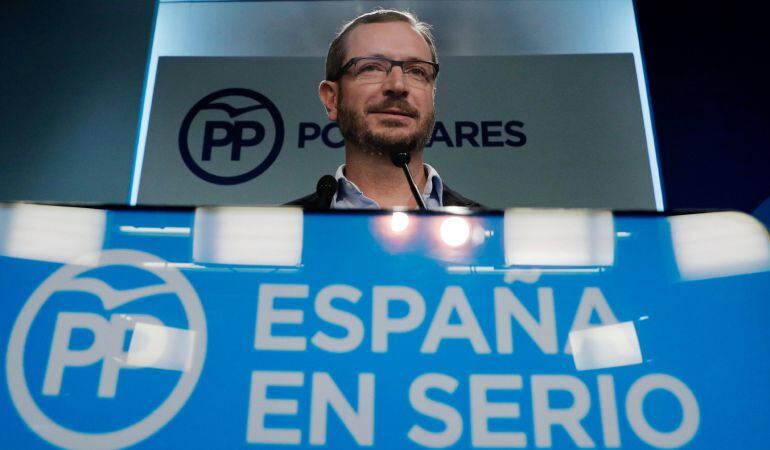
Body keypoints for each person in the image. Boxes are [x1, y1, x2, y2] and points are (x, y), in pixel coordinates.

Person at [288, 9, 482, 209]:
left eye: (416, 71)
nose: (398, 85)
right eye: (371, 67)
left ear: (432, 95)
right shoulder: (277, 231)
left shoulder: (490, 229)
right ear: (332, 98)